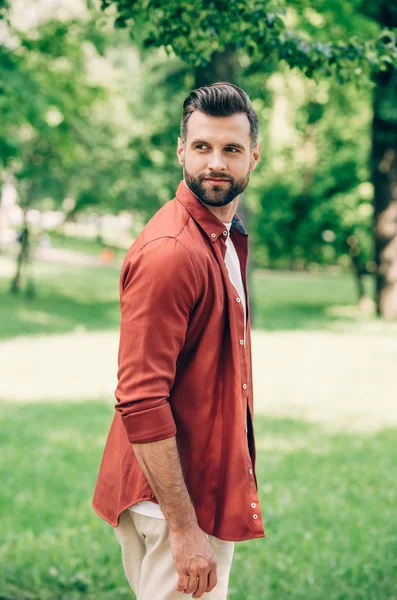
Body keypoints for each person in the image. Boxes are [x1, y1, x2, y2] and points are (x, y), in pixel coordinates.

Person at [92, 81, 265, 600]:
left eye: (231, 149)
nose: (216, 162)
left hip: (193, 492)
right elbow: (140, 399)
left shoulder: (221, 237)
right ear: (181, 151)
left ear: (253, 157)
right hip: (174, 506)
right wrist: (186, 531)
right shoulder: (173, 252)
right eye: (202, 147)